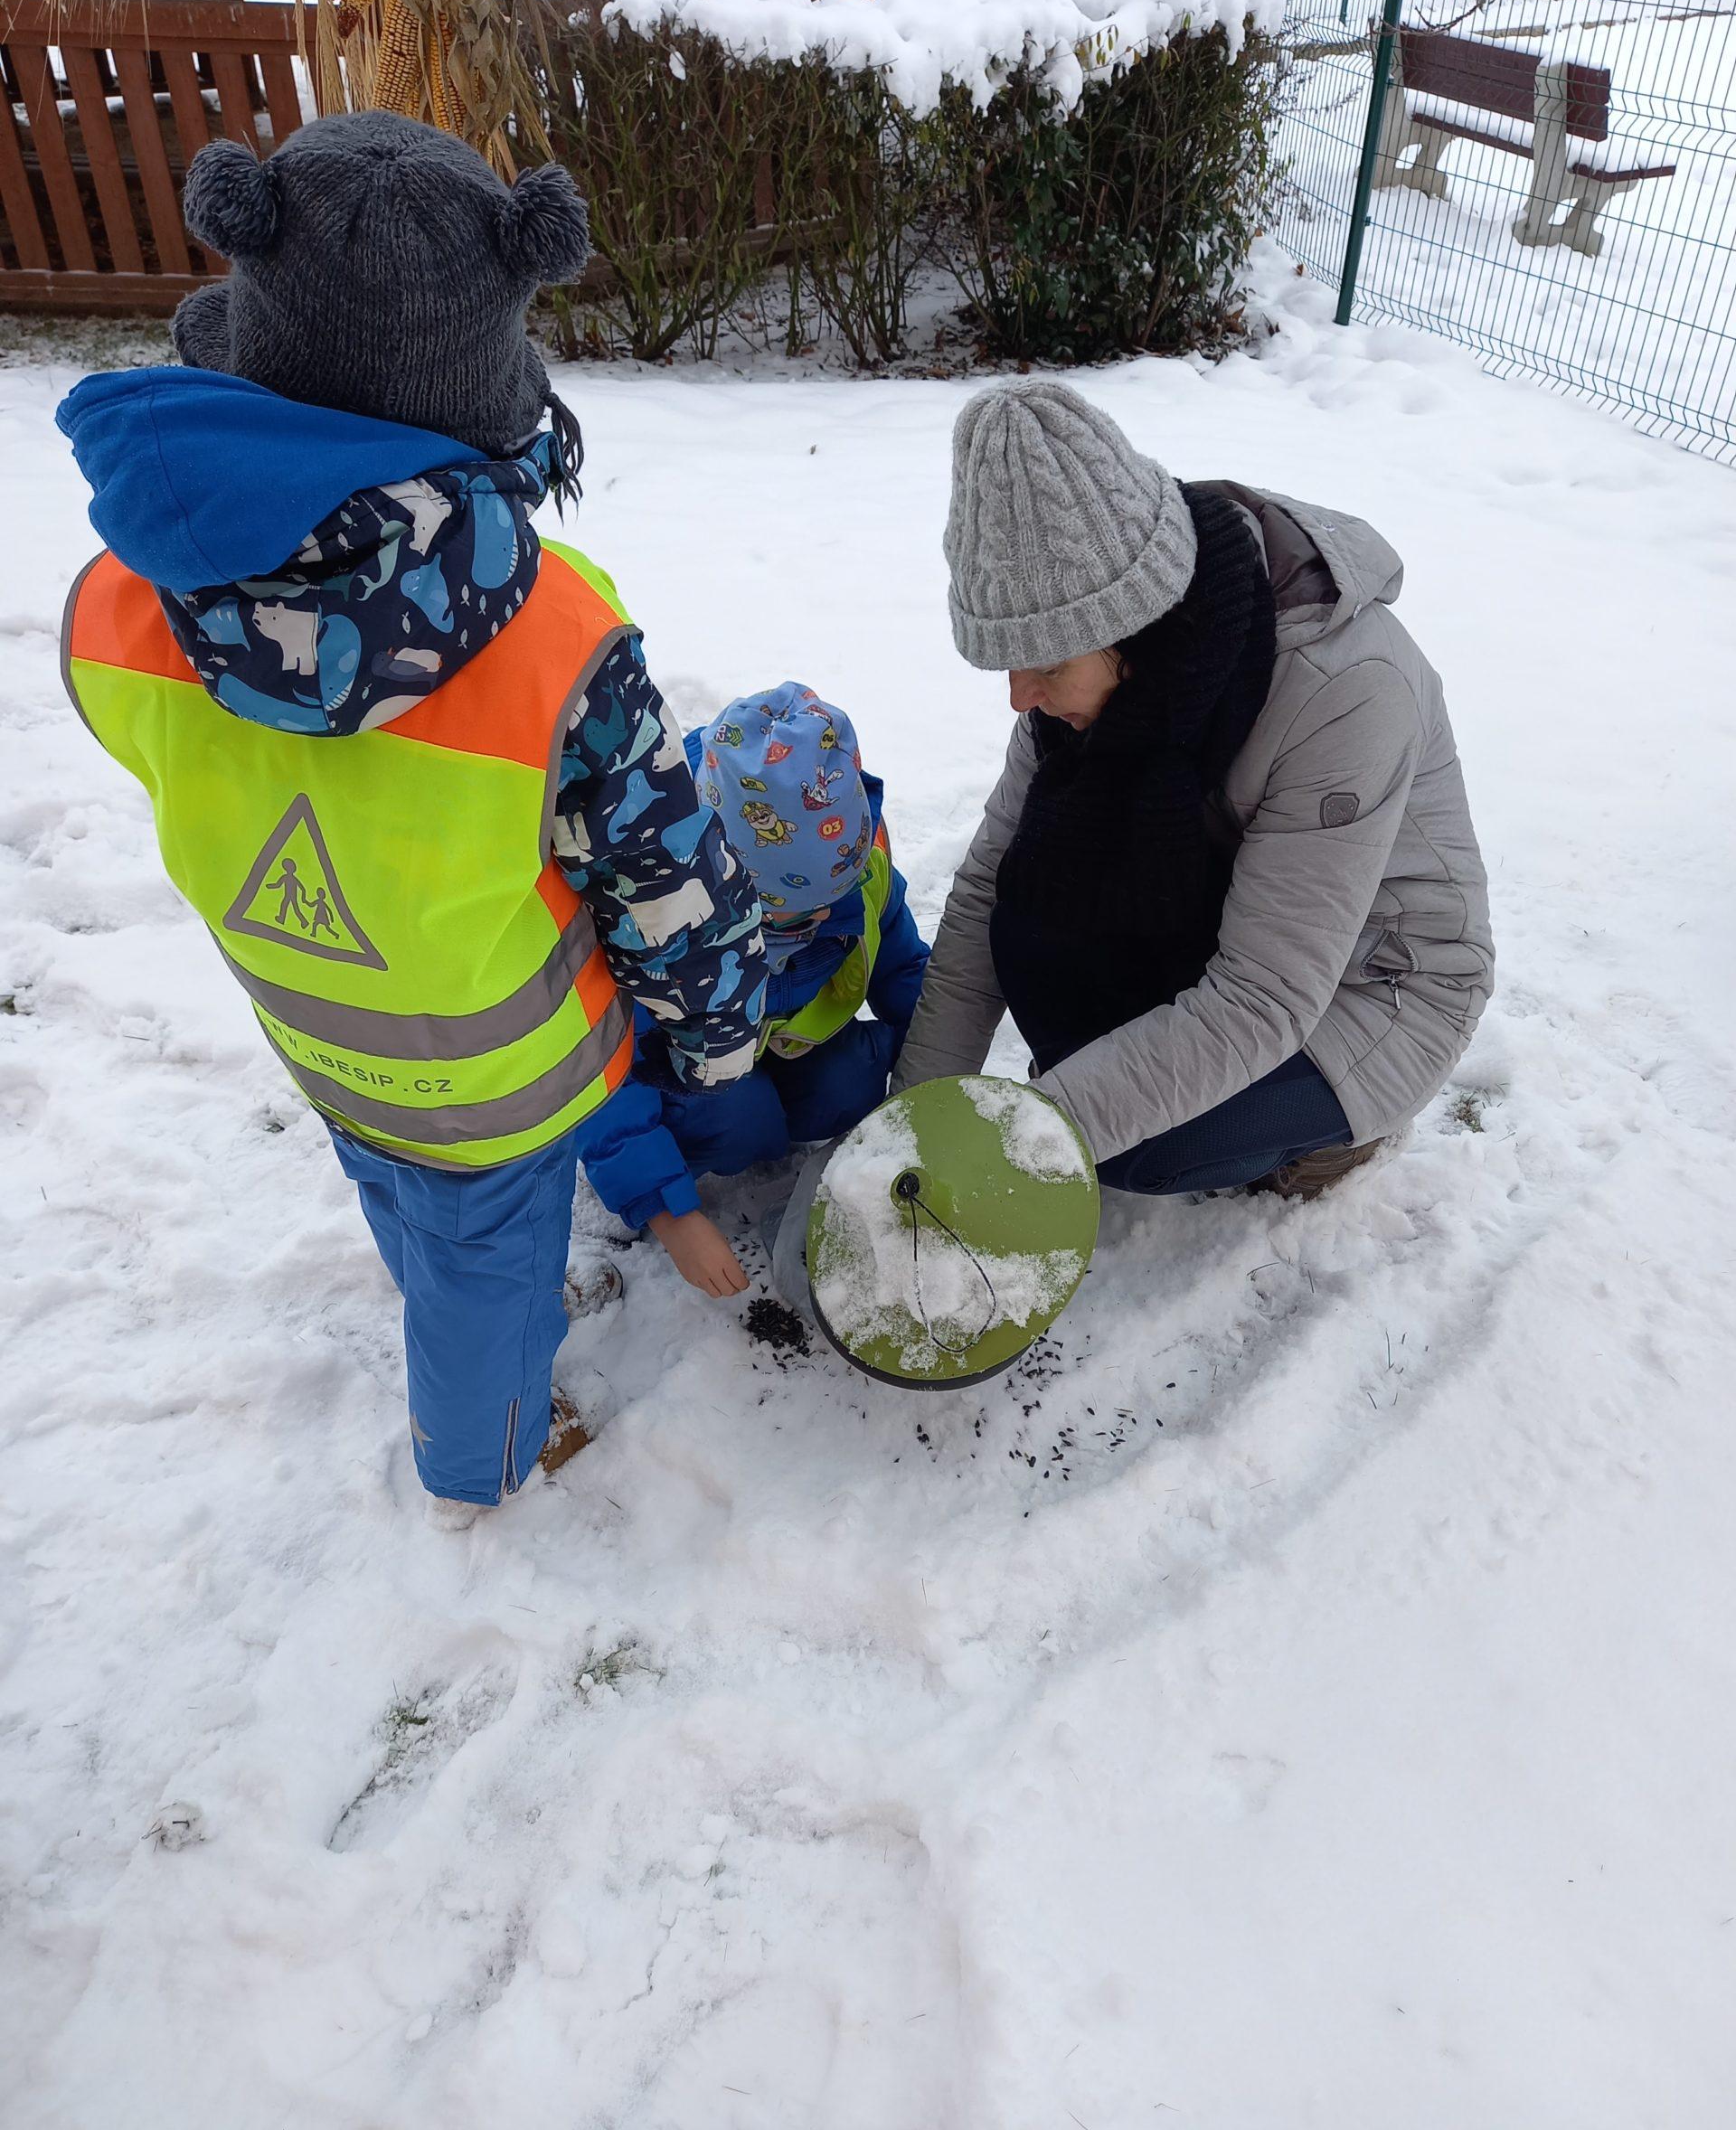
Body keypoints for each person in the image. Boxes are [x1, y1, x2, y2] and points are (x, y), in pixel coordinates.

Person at [57, 114, 765, 1521]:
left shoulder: (119, 600)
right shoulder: (561, 639)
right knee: (485, 1293)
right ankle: (484, 1457)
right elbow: (666, 881)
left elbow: (137, 735)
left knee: (394, 1186)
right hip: (500, 1085)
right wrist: (718, 1042)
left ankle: (426, 1284)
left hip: (321, 1019)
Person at [894, 385, 1494, 1198]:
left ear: (1138, 627)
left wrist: (1026, 1137)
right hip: (1224, 915)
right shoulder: (1084, 656)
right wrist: (913, 1124)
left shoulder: (1345, 689)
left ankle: (1326, 1141)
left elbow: (1262, 994)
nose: (1018, 698)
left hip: (1373, 982)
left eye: (1044, 668)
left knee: (1128, 1151)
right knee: (1029, 933)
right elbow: (984, 892)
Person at [576, 683, 928, 1270]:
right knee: (741, 1116)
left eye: (832, 896)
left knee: (854, 1080)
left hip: (785, 1043)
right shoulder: (661, 922)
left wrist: (939, 1082)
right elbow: (605, 1069)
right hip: (689, 1074)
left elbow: (906, 971)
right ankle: (623, 1185)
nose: (824, 916)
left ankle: (769, 1120)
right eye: (797, 911)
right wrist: (669, 1212)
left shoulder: (854, 874)